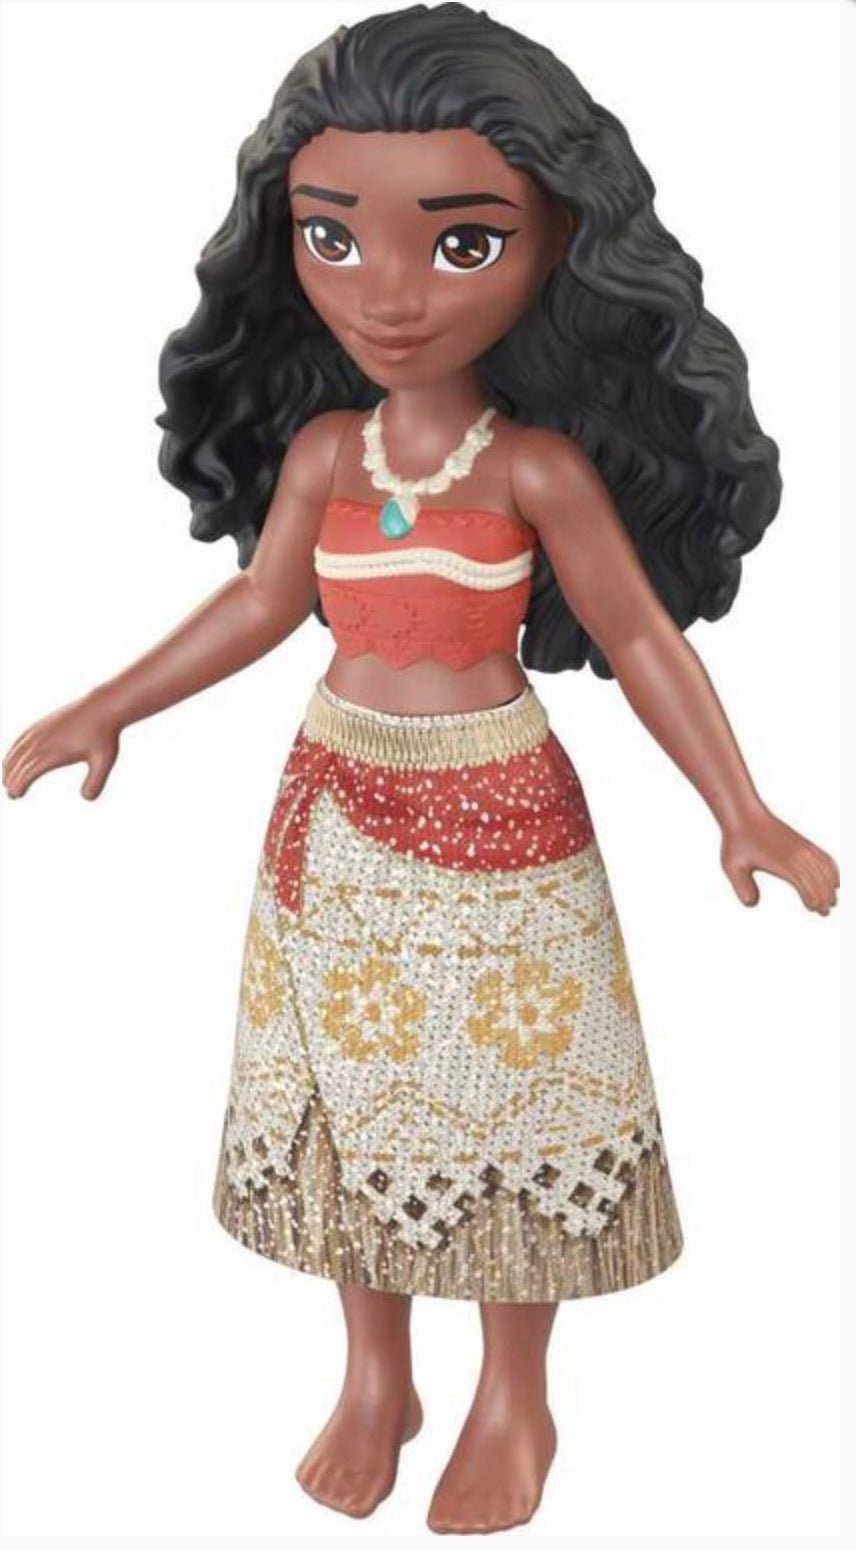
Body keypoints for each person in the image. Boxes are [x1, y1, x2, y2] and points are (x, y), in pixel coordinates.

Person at [1, 3, 838, 1534]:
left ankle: (516, 1391)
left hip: (502, 815)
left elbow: (638, 634)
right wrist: (107, 703)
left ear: (555, 244)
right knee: (354, 1093)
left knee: (512, 1099)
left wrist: (743, 808)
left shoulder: (532, 467)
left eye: (459, 244)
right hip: (335, 810)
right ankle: (375, 1372)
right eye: (333, 238)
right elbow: (263, 605)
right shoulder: (330, 453)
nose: (385, 294)